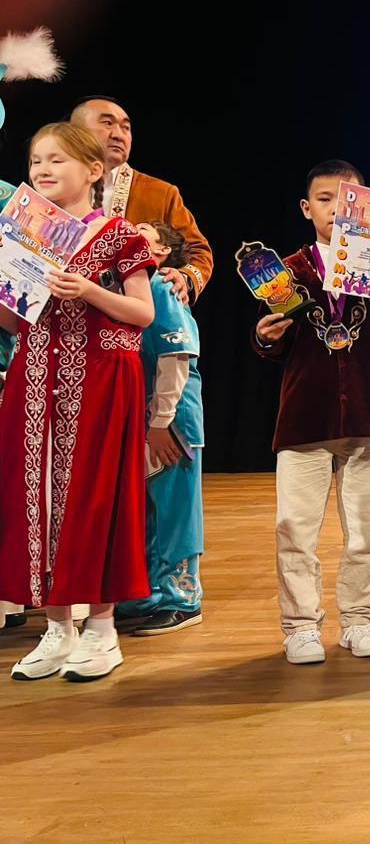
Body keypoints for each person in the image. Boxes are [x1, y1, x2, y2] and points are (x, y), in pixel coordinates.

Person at [0, 122, 156, 681]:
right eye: (36, 160)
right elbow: (12, 321)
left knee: (96, 498)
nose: (42, 170)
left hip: (102, 376)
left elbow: (143, 313)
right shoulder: (25, 233)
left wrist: (88, 290)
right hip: (35, 376)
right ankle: (57, 628)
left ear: (93, 170)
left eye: (57, 160)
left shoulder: (120, 235)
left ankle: (102, 630)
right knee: (37, 498)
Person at [254, 159, 370, 664]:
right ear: (306, 208)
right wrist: (265, 337)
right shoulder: (287, 270)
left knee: (367, 530)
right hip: (305, 416)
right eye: (325, 199)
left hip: (367, 414)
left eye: (347, 200)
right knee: (295, 527)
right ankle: (301, 625)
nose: (336, 209)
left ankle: (358, 619)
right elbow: (273, 342)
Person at [116, 221, 205, 635]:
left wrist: (161, 421)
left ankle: (182, 598)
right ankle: (146, 593)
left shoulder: (161, 286)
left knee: (175, 509)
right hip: (144, 417)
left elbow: (177, 356)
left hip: (172, 420)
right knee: (146, 509)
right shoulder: (126, 288)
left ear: (163, 251)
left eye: (143, 231)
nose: (131, 232)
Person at [70, 97, 213, 303]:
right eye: (107, 123)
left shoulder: (159, 193)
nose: (119, 135)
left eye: (126, 128)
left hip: (135, 317)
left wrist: (185, 277)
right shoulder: (55, 186)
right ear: (75, 133)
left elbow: (198, 251)